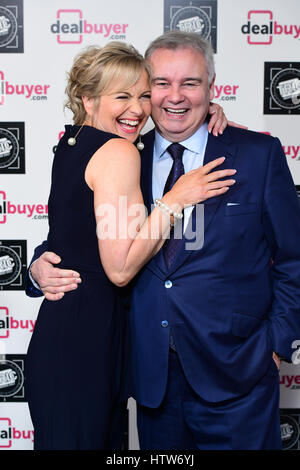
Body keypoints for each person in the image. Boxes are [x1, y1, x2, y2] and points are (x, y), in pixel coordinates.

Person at [26, 30, 298, 450]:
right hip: (148, 379)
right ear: (145, 88)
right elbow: (78, 231)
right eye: (161, 84)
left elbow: (293, 259)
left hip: (237, 375)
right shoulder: (123, 151)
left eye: (190, 83)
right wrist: (38, 266)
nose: (175, 96)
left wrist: (275, 347)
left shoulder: (256, 154)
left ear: (211, 88)